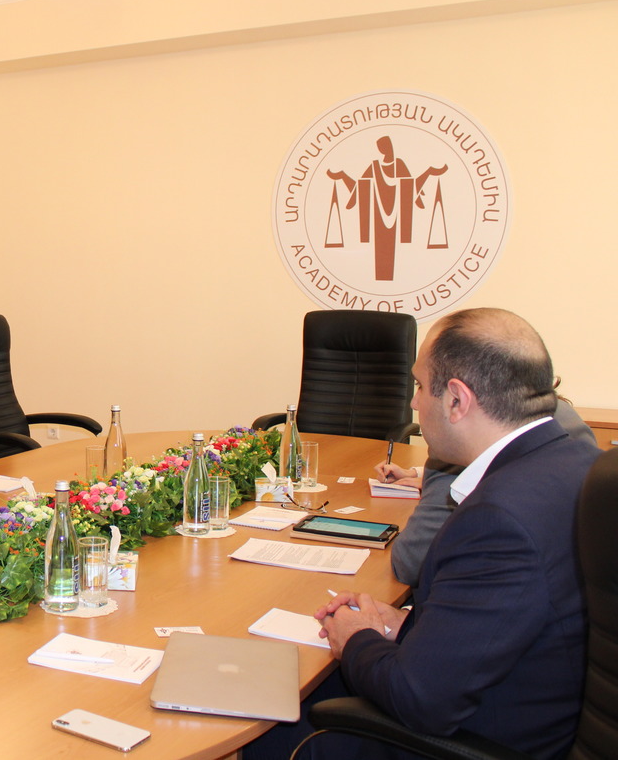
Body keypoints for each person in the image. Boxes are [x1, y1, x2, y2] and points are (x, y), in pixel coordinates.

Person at [246, 308, 601, 760]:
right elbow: (505, 618)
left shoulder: (498, 519)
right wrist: (408, 624)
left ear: (457, 399)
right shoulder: (580, 463)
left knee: (259, 728)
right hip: (535, 703)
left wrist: (356, 637)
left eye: (418, 386)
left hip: (483, 737)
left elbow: (420, 700)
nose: (413, 404)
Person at [377, 396, 597, 586]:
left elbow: (412, 563)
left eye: (421, 386)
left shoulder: (467, 434)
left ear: (459, 394)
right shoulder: (560, 413)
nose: (414, 403)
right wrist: (418, 473)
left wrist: (437, 469)